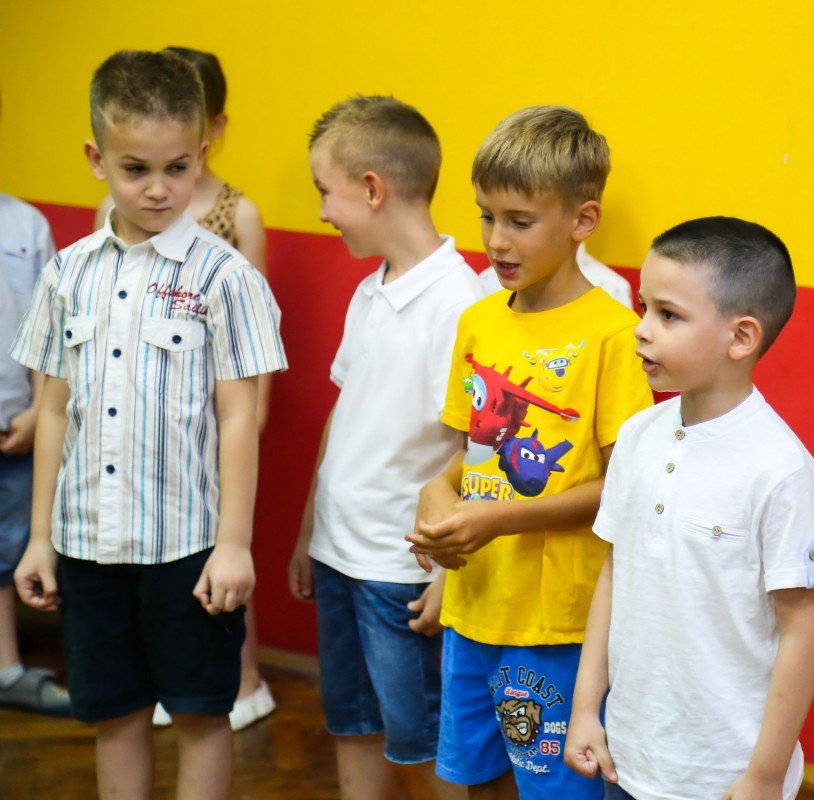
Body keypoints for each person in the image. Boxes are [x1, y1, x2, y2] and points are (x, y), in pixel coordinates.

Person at [11, 50, 286, 800]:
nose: (158, 189)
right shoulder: (68, 272)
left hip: (187, 547)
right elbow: (55, 408)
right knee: (116, 715)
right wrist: (40, 537)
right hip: (88, 543)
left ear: (202, 153)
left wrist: (234, 544)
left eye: (177, 168)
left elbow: (238, 416)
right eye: (136, 169)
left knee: (201, 715)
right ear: (96, 159)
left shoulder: (227, 277)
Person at [407, 106, 652, 799]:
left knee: (552, 789)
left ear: (582, 220)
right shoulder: (478, 321)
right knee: (474, 779)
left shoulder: (614, 335)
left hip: (556, 624)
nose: (496, 240)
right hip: (474, 606)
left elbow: (625, 489)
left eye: (519, 221)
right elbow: (472, 453)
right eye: (487, 217)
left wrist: (498, 520)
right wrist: (437, 494)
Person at [564, 217, 814, 800]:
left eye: (668, 315)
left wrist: (763, 774)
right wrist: (585, 709)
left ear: (741, 337)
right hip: (628, 758)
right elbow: (614, 573)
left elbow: (803, 630)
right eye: (644, 307)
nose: (641, 330)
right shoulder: (637, 436)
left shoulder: (778, 466)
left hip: (724, 776)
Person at [287, 95, 481, 800]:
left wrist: (449, 575)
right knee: (353, 725)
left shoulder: (461, 306)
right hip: (339, 554)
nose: (321, 212)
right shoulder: (370, 292)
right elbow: (347, 416)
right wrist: (310, 528)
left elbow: (476, 449)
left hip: (402, 572)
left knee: (424, 745)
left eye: (325, 192)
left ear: (372, 189)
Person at [93, 47, 275, 729]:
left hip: (215, 416)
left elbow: (257, 331)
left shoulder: (235, 213)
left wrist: (253, 415)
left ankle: (244, 680)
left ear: (209, 131)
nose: (156, 184)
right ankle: (156, 682)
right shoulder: (113, 212)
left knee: (222, 555)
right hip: (141, 429)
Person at [0, 175, 69, 715]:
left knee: (10, 543)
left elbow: (50, 328)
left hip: (15, 420)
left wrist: (36, 409)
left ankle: (6, 668)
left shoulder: (26, 224)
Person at [478, 242, 633, 309]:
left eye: (522, 223)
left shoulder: (612, 289)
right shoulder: (488, 280)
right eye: (488, 217)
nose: (495, 242)